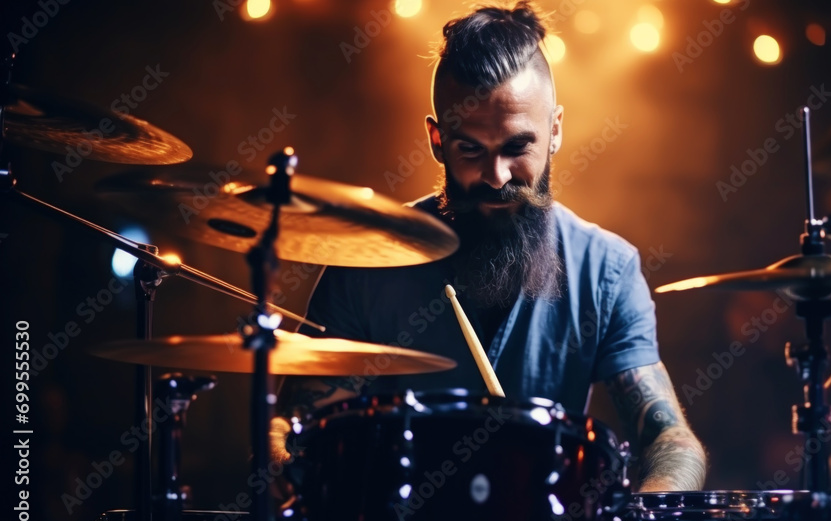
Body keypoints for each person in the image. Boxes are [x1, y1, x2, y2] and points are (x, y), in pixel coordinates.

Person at [275, 1, 706, 492]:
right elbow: (290, 427)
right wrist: (286, 473)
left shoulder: (607, 270)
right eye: (470, 149)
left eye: (518, 147)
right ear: (437, 139)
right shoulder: (366, 261)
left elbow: (671, 439)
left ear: (556, 130)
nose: (496, 176)